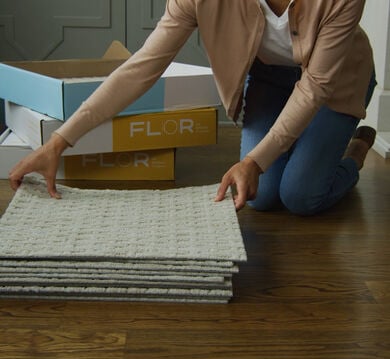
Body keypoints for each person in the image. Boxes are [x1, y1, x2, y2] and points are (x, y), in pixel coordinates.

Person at [9, 0, 376, 215]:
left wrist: (253, 161)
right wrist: (58, 142)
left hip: (334, 82)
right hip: (270, 81)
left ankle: (354, 154)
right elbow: (143, 67)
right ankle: (305, 148)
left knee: (300, 196)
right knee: (261, 197)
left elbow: (314, 88)